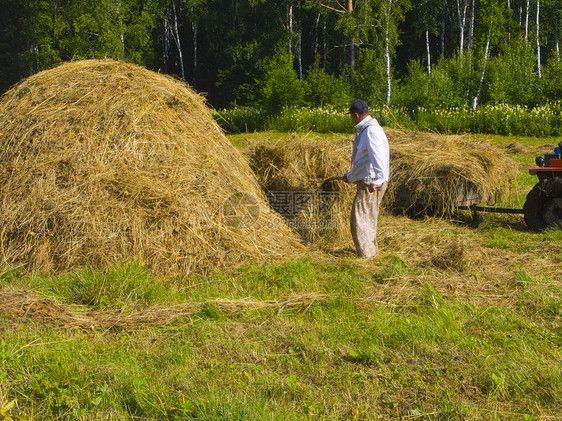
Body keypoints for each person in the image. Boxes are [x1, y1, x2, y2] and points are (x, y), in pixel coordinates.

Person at [341, 99, 390, 258]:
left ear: (356, 115)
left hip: (371, 182)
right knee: (366, 219)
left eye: (351, 116)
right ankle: (371, 253)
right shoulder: (367, 129)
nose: (351, 119)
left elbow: (377, 157)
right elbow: (365, 160)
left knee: (360, 221)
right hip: (369, 180)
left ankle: (367, 256)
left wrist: (378, 180)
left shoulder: (371, 131)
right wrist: (350, 176)